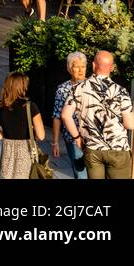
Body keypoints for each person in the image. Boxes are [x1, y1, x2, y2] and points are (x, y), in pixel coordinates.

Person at [61, 50, 134, 179]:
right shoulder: (120, 91)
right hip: (117, 149)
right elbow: (130, 125)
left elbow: (65, 115)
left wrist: (77, 137)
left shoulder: (77, 89)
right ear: (112, 68)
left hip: (92, 148)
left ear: (93, 65)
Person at [0, 72, 45, 179]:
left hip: (7, 150)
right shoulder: (30, 106)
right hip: (26, 150)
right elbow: (41, 135)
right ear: (23, 86)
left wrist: (7, 132)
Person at [51, 51, 90, 179]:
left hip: (93, 138)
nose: (80, 70)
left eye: (83, 66)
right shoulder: (63, 89)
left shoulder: (92, 86)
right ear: (69, 68)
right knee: (81, 174)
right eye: (76, 66)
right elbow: (57, 116)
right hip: (73, 139)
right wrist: (55, 142)